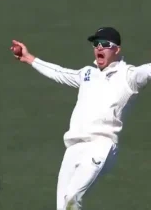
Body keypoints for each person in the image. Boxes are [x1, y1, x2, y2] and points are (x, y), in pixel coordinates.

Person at [11, 27, 151, 209]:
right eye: (96, 44)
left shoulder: (129, 76)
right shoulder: (87, 73)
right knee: (62, 207)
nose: (99, 48)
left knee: (73, 197)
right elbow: (60, 73)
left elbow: (148, 70)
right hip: (73, 148)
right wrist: (29, 58)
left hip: (101, 145)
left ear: (116, 49)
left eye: (105, 45)